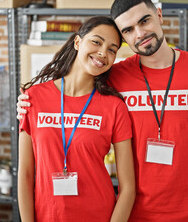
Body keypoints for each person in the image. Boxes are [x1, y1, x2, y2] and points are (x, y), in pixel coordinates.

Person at [18, 0, 188, 222]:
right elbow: (73, 89)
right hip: (134, 215)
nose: (140, 34)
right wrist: (27, 103)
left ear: (159, 15)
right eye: (128, 30)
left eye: (144, 21)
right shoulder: (114, 77)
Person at [18, 16, 135, 222]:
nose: (102, 53)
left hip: (98, 213)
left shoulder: (114, 107)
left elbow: (128, 188)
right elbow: (25, 174)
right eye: (96, 42)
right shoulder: (33, 98)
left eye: (111, 49)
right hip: (48, 215)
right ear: (78, 42)